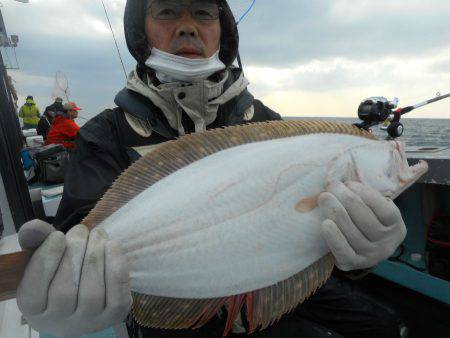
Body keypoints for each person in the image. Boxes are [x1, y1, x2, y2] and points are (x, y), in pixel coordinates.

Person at [16, 1, 406, 338]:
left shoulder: (267, 123)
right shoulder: (106, 133)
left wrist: (361, 256)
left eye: (204, 13)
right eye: (167, 11)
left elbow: (302, 237)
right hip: (179, 310)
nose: (187, 26)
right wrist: (67, 299)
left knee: (385, 325)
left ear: (223, 31)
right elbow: (80, 234)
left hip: (268, 290)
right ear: (140, 31)